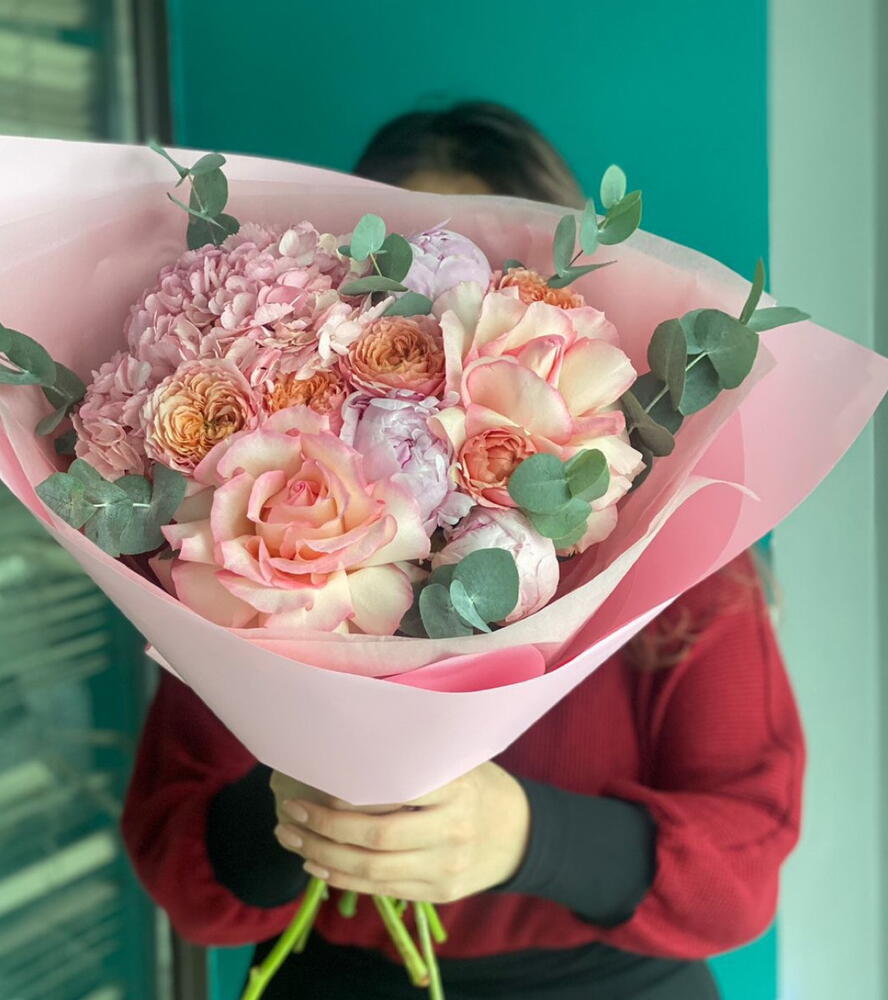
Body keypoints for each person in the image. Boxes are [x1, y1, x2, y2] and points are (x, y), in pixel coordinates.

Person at [121, 102, 804, 1000]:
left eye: (478, 287)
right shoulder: (261, 533)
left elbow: (741, 873)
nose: (436, 331)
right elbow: (182, 870)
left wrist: (529, 839)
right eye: (395, 287)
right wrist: (297, 811)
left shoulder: (671, 547)